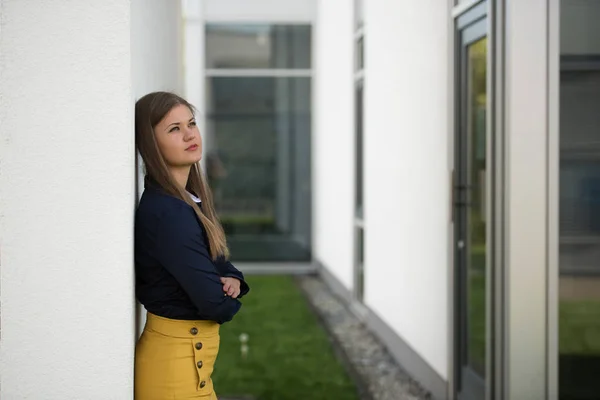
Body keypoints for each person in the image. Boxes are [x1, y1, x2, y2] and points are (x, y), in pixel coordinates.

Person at [134, 91, 250, 399]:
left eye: (191, 123)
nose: (189, 134)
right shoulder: (168, 213)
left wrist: (232, 278)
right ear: (150, 142)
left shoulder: (187, 201)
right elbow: (214, 303)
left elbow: (218, 258)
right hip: (173, 368)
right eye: (174, 129)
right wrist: (224, 295)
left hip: (189, 364)